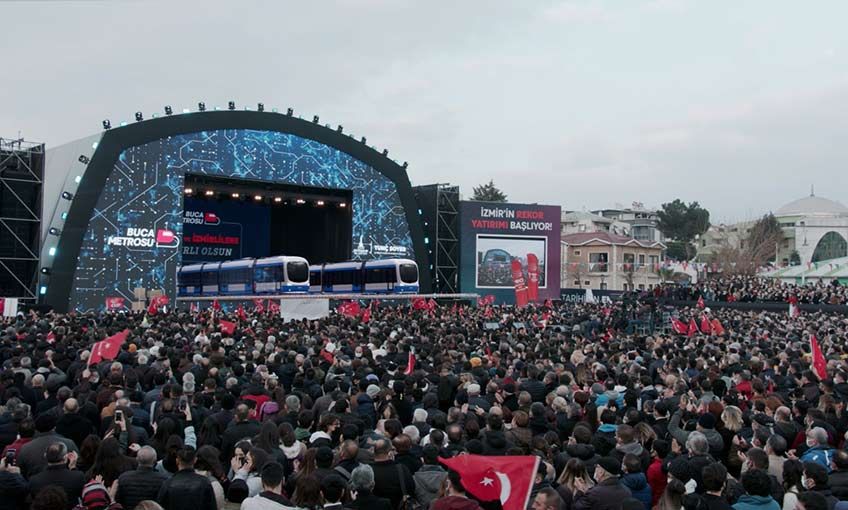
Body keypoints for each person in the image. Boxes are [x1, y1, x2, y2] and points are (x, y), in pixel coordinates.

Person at [157, 446, 218, 510]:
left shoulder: (168, 484)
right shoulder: (204, 483)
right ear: (195, 460)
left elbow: (159, 506)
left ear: (177, 461)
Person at [27, 442, 85, 509]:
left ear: (45, 456)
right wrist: (73, 468)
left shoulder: (34, 481)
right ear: (65, 457)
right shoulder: (78, 476)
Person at [115, 445, 170, 510]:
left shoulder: (124, 478)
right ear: (155, 461)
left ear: (137, 459)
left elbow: (118, 501)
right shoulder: (164, 480)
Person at [370, 438, 415, 510]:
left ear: (374, 452)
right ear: (389, 453)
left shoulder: (367, 471)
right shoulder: (402, 469)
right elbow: (411, 488)